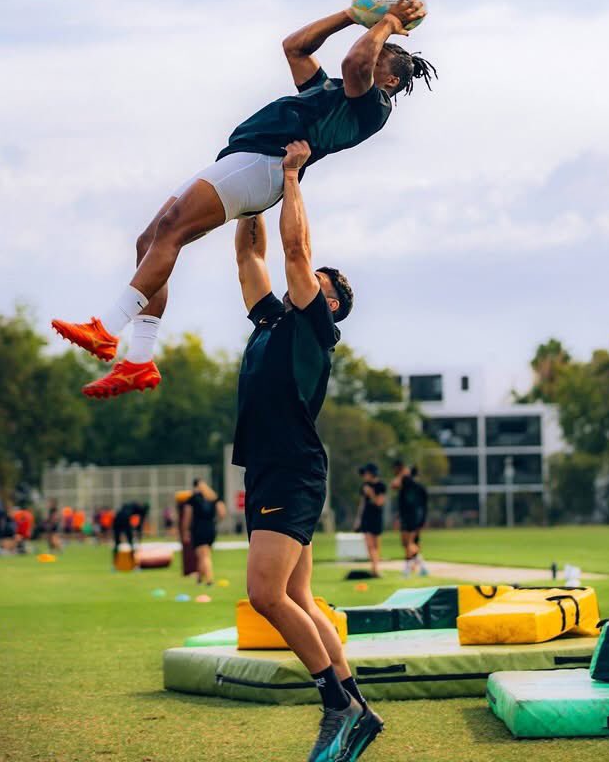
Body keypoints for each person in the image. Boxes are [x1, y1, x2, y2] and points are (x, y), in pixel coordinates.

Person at [52, 0, 435, 400]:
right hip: (243, 158)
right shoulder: (328, 91)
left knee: (171, 229)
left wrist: (388, 23)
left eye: (378, 59)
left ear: (390, 80)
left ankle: (107, 330)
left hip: (265, 164)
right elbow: (295, 46)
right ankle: (139, 361)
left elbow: (354, 63)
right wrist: (349, 16)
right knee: (149, 241)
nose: (368, 51)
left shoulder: (371, 105)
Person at [231, 138, 382, 762]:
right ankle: (360, 710)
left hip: (291, 469)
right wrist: (247, 183)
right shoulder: (271, 321)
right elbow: (251, 250)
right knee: (295, 598)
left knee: (267, 596)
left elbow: (295, 250)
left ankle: (336, 704)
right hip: (273, 467)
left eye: (319, 282)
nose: (306, 280)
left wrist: (291, 173)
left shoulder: (318, 326)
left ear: (333, 302)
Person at [181, 478, 226, 585]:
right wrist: (214, 521)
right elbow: (222, 513)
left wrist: (185, 530)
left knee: (204, 556)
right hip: (210, 528)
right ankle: (199, 579)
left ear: (195, 486)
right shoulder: (213, 497)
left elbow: (187, 516)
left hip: (198, 529)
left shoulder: (193, 499)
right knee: (203, 555)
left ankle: (209, 579)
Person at [391, 460, 429, 576]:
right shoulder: (407, 485)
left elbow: (394, 484)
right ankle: (422, 568)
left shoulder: (415, 486)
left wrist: (402, 474)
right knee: (407, 543)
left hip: (414, 518)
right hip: (407, 517)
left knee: (409, 543)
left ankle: (407, 570)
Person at [354, 464, 386, 578]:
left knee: (376, 546)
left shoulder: (381, 486)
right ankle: (375, 569)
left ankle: (375, 567)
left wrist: (371, 494)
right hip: (366, 518)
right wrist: (358, 519)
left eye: (366, 474)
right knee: (370, 545)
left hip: (376, 518)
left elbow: (379, 503)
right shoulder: (364, 486)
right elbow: (362, 504)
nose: (364, 476)